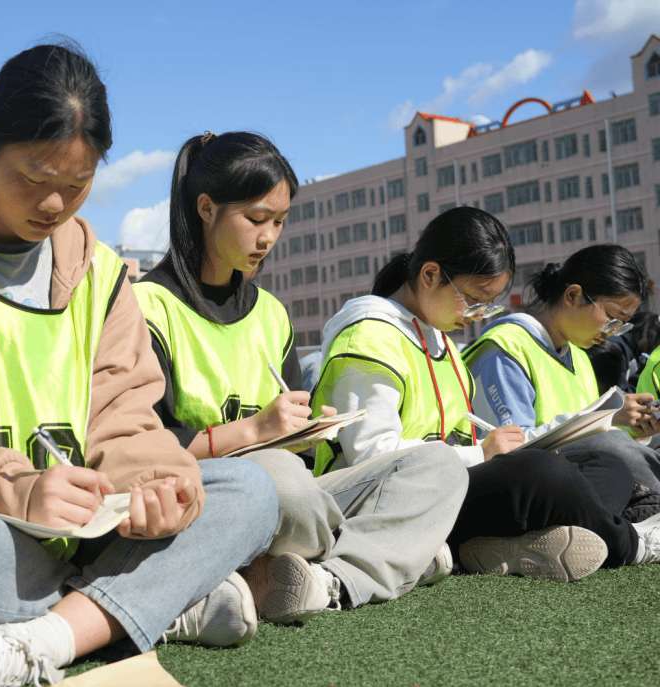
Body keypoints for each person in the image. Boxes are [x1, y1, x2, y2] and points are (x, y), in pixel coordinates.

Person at [0, 43, 278, 687]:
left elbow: (127, 419)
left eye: (77, 184)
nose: (54, 205)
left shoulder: (100, 273)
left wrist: (155, 481)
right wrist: (19, 491)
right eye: (35, 180)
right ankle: (144, 605)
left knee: (249, 491)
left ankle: (44, 638)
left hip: (80, 535)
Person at [134, 131, 468, 621]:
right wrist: (254, 432)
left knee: (437, 465)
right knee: (277, 479)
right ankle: (395, 557)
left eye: (280, 221)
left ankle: (325, 578)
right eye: (255, 219)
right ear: (206, 208)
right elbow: (143, 447)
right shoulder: (147, 306)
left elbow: (300, 450)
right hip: (212, 495)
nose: (268, 237)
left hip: (297, 500)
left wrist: (309, 428)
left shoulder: (270, 312)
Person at [312, 208, 660, 580]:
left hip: (444, 490)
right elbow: (370, 457)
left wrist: (506, 446)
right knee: (543, 473)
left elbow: (477, 436)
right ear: (430, 275)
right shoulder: (370, 338)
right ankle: (631, 543)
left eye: (488, 305)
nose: (479, 315)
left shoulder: (439, 339)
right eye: (475, 299)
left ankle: (502, 545)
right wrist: (481, 453)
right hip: (390, 504)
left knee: (604, 466)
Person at [464, 245, 660, 505]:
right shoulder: (505, 348)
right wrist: (605, 418)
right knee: (611, 451)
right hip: (520, 487)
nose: (613, 331)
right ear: (573, 295)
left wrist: (629, 425)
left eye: (621, 324)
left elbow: (584, 436)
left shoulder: (578, 356)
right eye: (612, 317)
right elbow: (511, 449)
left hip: (578, 475)